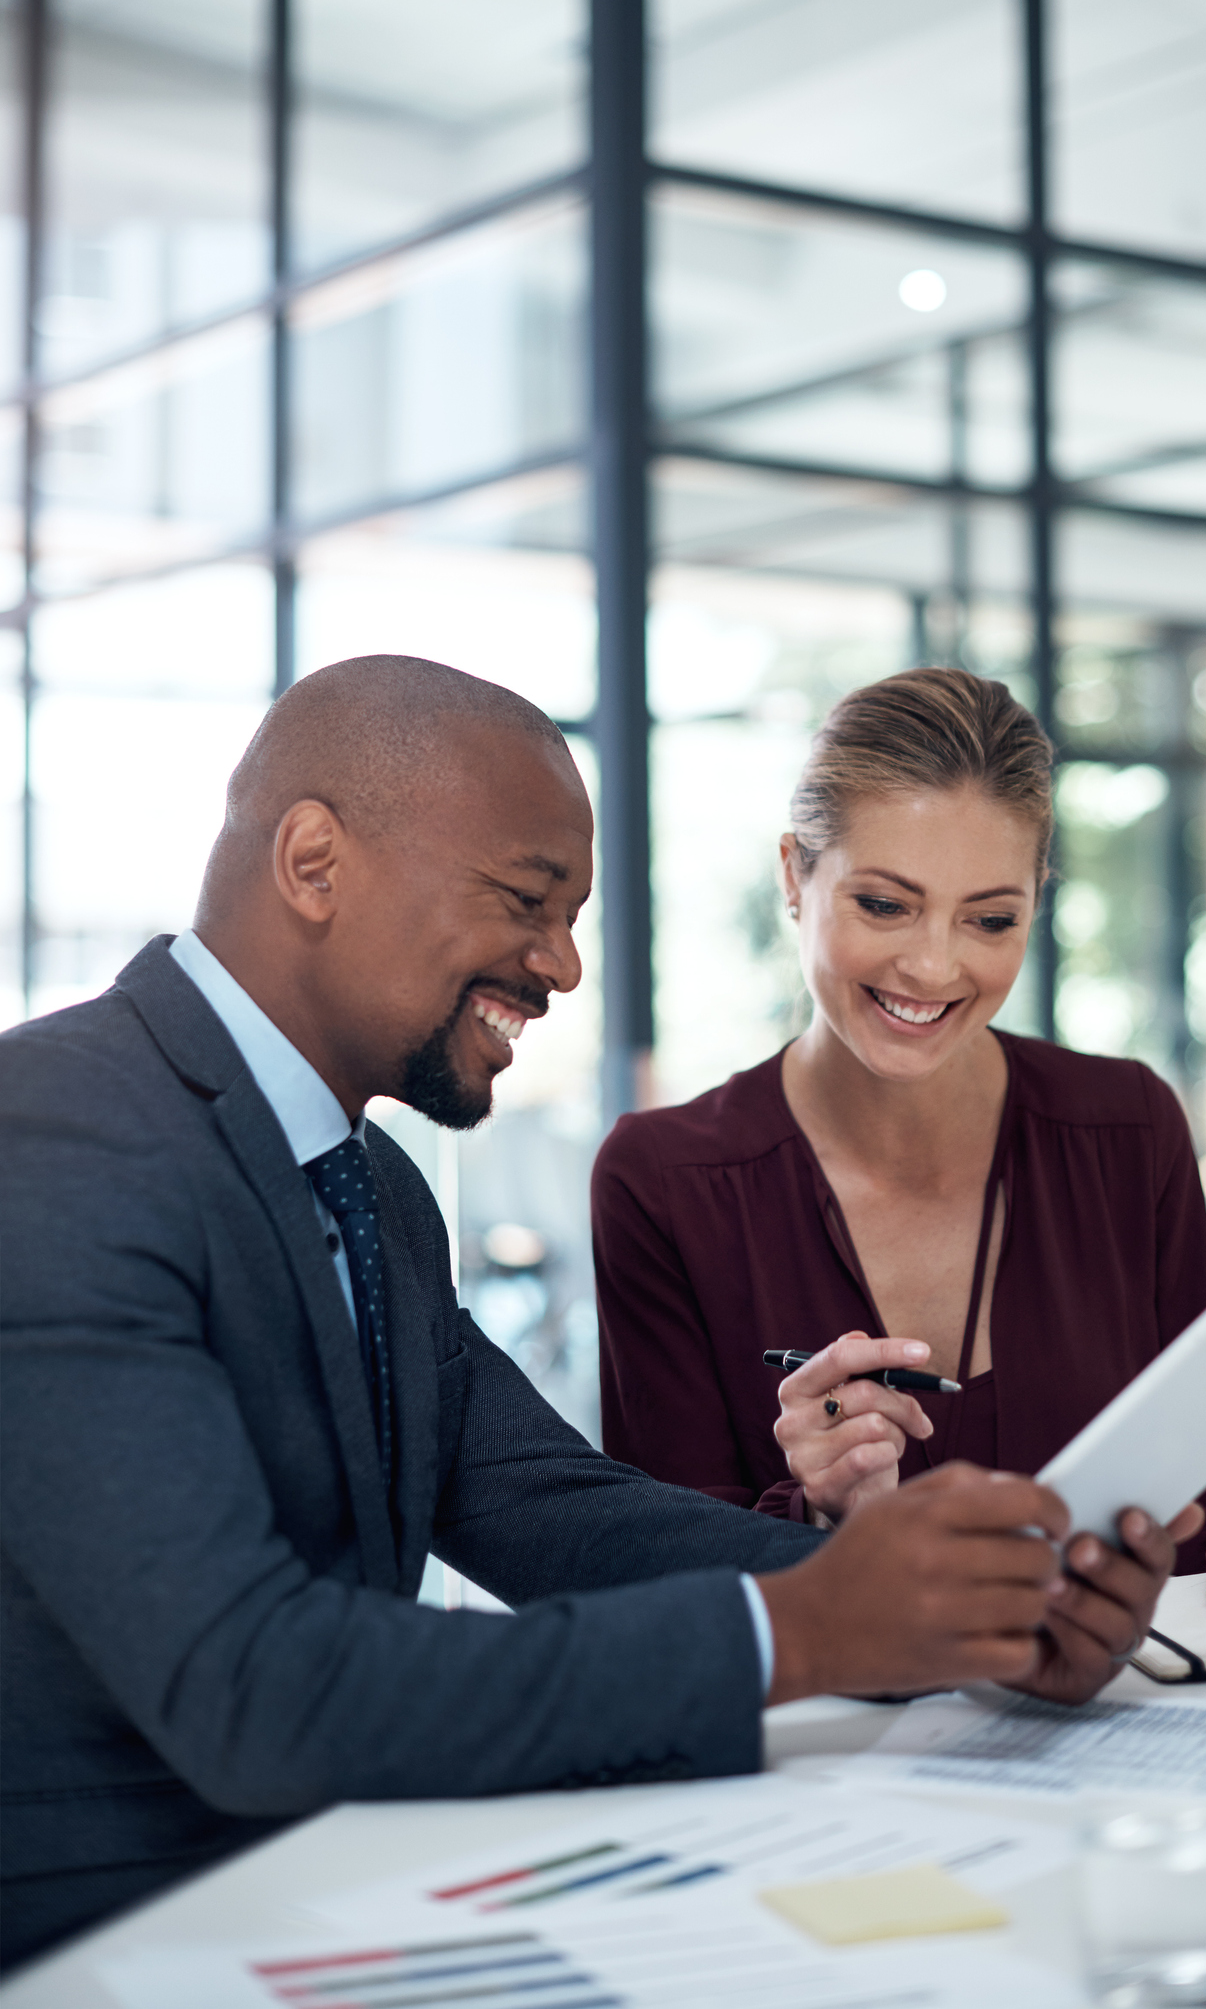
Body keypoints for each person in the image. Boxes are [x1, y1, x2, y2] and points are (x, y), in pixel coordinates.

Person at [0, 655, 1088, 1973]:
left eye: (570, 917)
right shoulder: (53, 1136)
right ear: (313, 862)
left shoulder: (372, 1187)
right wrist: (800, 1631)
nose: (563, 965)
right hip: (106, 1947)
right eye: (526, 901)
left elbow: (553, 1509)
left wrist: (950, 1599)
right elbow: (251, 1683)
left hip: (334, 1902)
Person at [595, 669, 1206, 1625]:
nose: (935, 965)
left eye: (990, 918)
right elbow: (663, 1583)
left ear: (1035, 904)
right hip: (830, 1718)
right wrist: (820, 1513)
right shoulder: (664, 1183)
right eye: (884, 904)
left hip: (1122, 1706)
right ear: (794, 876)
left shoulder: (1127, 1129)